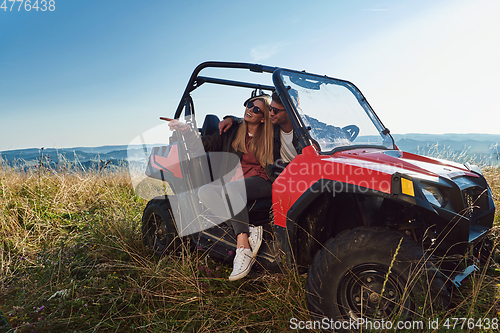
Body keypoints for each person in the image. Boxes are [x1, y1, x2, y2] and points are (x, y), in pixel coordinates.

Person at [162, 93, 274, 281]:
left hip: (262, 180)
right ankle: (251, 231)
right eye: (248, 105)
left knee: (231, 189)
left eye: (256, 109)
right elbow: (205, 145)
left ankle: (243, 247)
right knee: (205, 192)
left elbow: (284, 123)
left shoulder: (271, 133)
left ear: (264, 118)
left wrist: (232, 118)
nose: (250, 110)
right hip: (238, 180)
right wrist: (186, 131)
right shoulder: (234, 130)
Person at [219, 91, 305, 180]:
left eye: (275, 110)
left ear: (289, 112)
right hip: (281, 176)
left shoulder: (305, 131)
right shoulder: (273, 128)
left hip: (299, 176)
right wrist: (231, 119)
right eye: (270, 108)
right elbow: (250, 119)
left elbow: (308, 162)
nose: (271, 113)